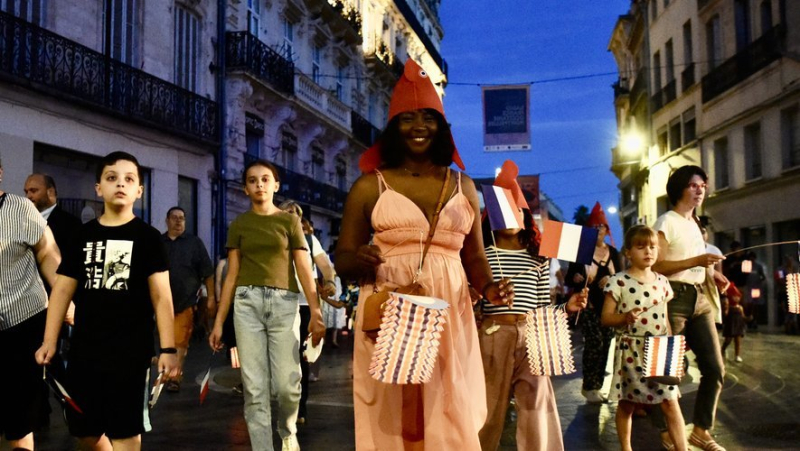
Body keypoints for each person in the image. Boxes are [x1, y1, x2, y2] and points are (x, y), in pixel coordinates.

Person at [335, 58, 513, 450]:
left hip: (449, 308)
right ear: (394, 127)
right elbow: (342, 257)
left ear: (442, 126)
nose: (419, 127)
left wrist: (489, 286)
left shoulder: (464, 185)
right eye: (408, 118)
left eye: (429, 117)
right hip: (389, 308)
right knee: (393, 406)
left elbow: (475, 257)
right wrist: (359, 258)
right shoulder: (369, 187)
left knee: (448, 406)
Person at [35, 151, 179, 451]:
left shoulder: (148, 238)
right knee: (84, 430)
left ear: (139, 191)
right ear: (98, 187)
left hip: (131, 354)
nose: (120, 184)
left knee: (125, 431)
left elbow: (161, 296)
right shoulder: (81, 236)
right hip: (85, 352)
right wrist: (49, 340)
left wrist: (167, 348)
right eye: (112, 178)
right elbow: (62, 290)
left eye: (129, 179)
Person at [208, 160, 325, 451]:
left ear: (275, 185)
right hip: (246, 305)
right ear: (246, 188)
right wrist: (219, 322)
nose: (259, 184)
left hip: (285, 304)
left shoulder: (289, 222)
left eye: (265, 179)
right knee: (255, 388)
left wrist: (317, 312)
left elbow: (303, 269)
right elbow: (231, 275)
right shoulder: (239, 224)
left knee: (288, 385)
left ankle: (287, 430)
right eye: (252, 180)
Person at [477, 161, 587, 451]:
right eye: (505, 210)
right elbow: (472, 297)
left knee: (537, 405)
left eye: (518, 210)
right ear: (491, 215)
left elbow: (541, 307)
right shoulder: (481, 256)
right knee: (487, 408)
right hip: (491, 335)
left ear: (525, 214)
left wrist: (567, 307)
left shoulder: (538, 257)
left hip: (531, 334)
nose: (512, 217)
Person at [651, 165, 729, 451]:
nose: (700, 190)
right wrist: (695, 263)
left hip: (700, 298)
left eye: (703, 186)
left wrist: (713, 274)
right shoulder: (666, 221)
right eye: (694, 185)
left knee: (715, 368)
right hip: (674, 298)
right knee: (669, 369)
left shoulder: (695, 223)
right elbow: (657, 264)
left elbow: (697, 262)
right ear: (680, 189)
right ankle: (665, 429)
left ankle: (700, 429)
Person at [601, 225, 687, 451]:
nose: (648, 251)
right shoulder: (618, 281)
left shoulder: (663, 282)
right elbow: (606, 318)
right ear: (628, 252)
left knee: (670, 401)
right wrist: (625, 317)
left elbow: (666, 319)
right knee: (628, 403)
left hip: (659, 348)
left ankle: (683, 448)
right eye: (641, 247)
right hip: (631, 350)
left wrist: (672, 347)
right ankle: (626, 447)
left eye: (652, 247)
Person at [0, 155, 61, 451]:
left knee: (19, 419)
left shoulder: (20, 208)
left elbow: (48, 254)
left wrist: (65, 301)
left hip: (23, 320)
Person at [278, 201, 336, 425]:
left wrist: (329, 280)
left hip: (302, 305)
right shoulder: (272, 237)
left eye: (294, 212)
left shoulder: (310, 240)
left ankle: (299, 407)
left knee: (300, 359)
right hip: (277, 304)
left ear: (300, 218)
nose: (289, 215)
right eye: (285, 211)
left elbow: (324, 264)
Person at [565, 201, 622, 403]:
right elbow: (569, 277)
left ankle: (597, 385)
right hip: (588, 305)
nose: (598, 230)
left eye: (601, 227)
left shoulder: (614, 253)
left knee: (607, 344)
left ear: (607, 230)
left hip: (609, 306)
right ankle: (589, 386)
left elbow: (623, 277)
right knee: (594, 344)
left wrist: (612, 279)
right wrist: (577, 279)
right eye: (594, 227)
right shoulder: (582, 252)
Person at [161, 206, 215, 392]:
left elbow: (208, 272)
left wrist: (211, 297)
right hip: (160, 302)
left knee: (180, 341)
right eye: (174, 218)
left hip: (185, 302)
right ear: (166, 220)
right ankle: (166, 370)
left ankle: (174, 377)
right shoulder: (159, 243)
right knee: (165, 341)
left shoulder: (194, 244)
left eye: (182, 218)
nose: (178, 221)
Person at [721, 285, 747, 362]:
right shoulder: (729, 307)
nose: (736, 298)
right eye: (734, 296)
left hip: (738, 326)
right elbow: (725, 314)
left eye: (738, 296)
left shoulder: (740, 307)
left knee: (737, 341)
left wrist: (748, 318)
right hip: (730, 325)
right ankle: (723, 349)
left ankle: (737, 355)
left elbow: (743, 316)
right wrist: (725, 306)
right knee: (728, 340)